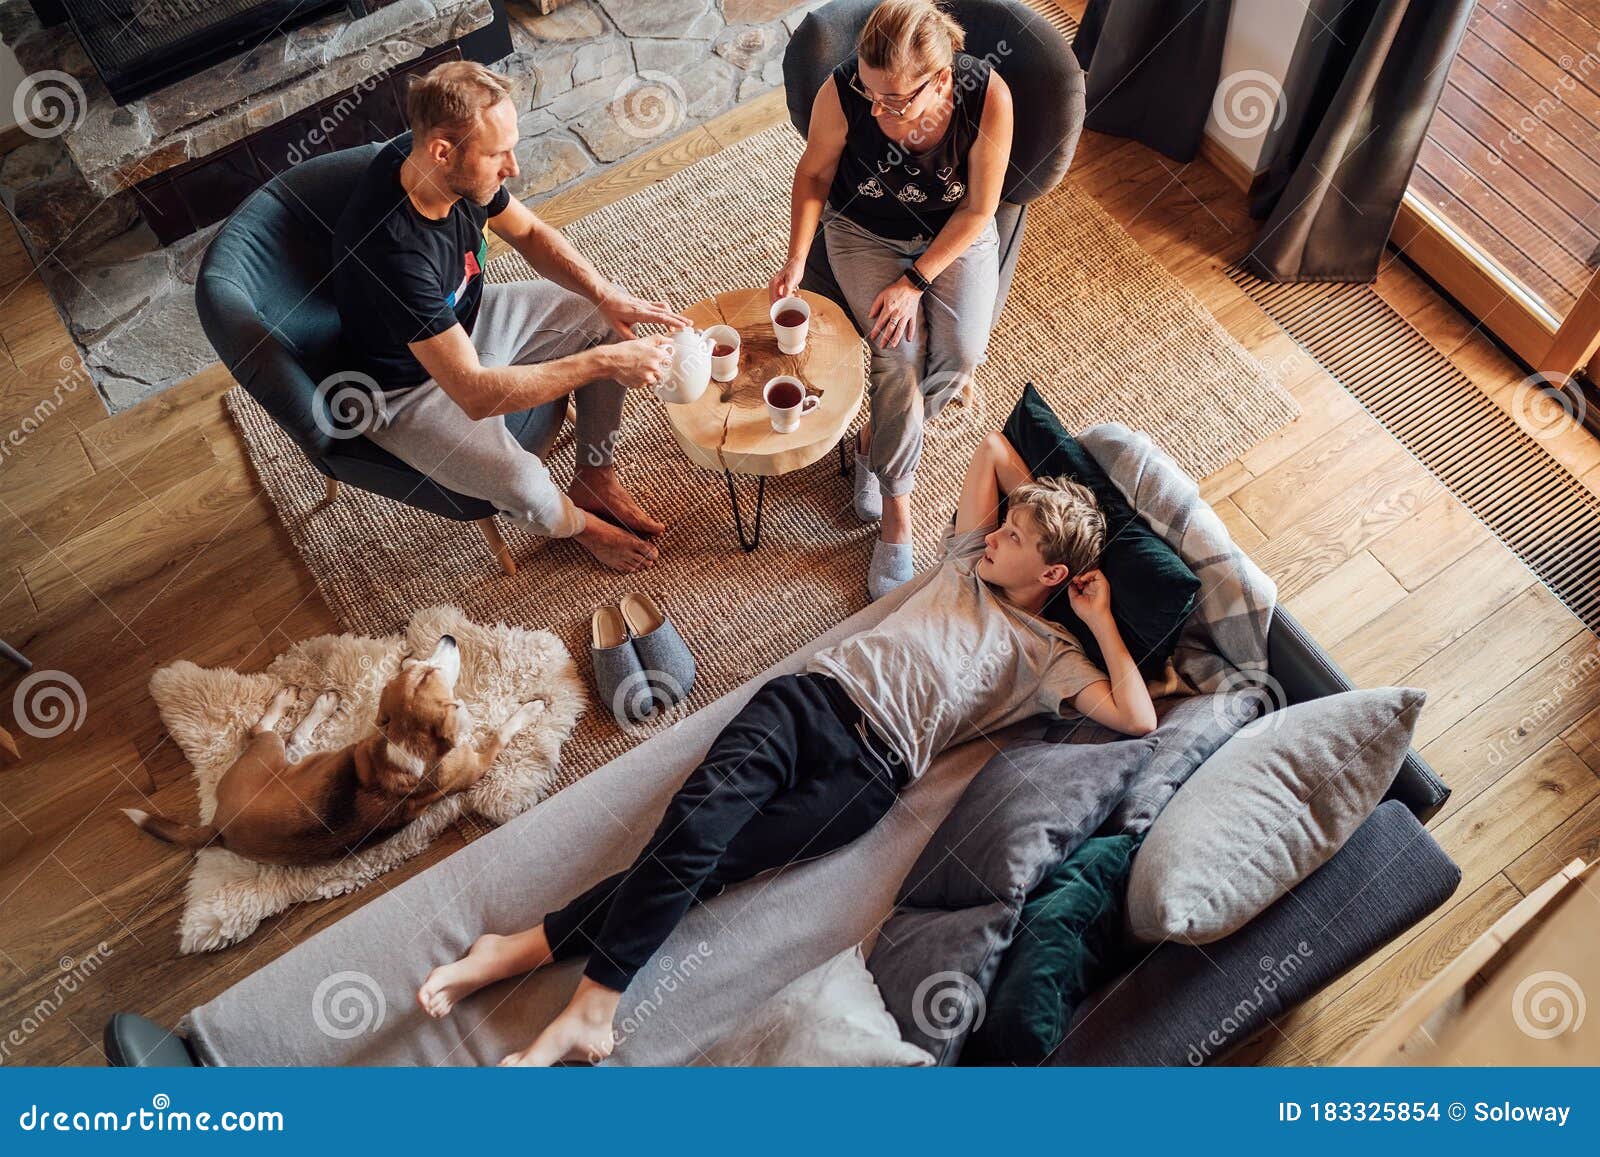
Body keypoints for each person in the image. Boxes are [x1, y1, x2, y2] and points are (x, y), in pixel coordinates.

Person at [415, 429, 1158, 1066]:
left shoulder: (1050, 652)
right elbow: (993, 447)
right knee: (697, 825)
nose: (996, 535)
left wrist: (1098, 618)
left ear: (1053, 575)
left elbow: (1137, 715)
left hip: (871, 775)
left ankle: (522, 948)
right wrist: (1040, 516)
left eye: (1016, 541)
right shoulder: (968, 557)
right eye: (1003, 528)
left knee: (711, 863)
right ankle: (590, 1003)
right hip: (809, 702)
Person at [332, 61, 690, 574]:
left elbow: (529, 235)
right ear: (441, 151)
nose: (513, 168)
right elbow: (475, 395)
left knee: (602, 317)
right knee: (525, 484)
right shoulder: (394, 256)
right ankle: (582, 527)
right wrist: (602, 362)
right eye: (498, 153)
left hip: (473, 320)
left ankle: (595, 474)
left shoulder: (449, 174)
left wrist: (606, 294)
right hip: (407, 389)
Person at [770, 0, 1014, 599]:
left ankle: (873, 439)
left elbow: (982, 207)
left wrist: (916, 282)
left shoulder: (988, 97)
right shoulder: (845, 89)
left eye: (896, 100)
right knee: (898, 355)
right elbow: (815, 176)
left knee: (960, 357)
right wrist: (798, 254)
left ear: (941, 77)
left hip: (955, 230)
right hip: (862, 229)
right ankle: (898, 515)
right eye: (871, 93)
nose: (878, 109)